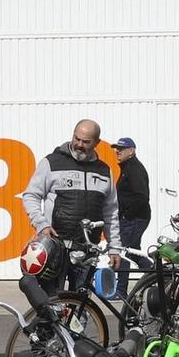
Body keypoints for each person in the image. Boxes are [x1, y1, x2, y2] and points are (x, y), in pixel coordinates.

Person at [20, 118, 119, 293]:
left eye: (86, 142)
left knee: (80, 306)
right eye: (76, 138)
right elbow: (31, 196)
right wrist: (42, 224)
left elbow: (111, 212)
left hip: (87, 251)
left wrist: (114, 247)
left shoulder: (104, 170)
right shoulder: (51, 162)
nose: (79, 144)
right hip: (56, 247)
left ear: (97, 143)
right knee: (51, 304)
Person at [112, 136, 150, 292]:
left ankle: (120, 291)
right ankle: (156, 273)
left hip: (136, 218)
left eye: (121, 149)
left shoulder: (134, 169)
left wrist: (127, 214)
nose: (117, 151)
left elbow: (142, 196)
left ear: (131, 151)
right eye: (116, 149)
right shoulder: (127, 167)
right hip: (132, 218)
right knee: (133, 252)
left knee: (125, 252)